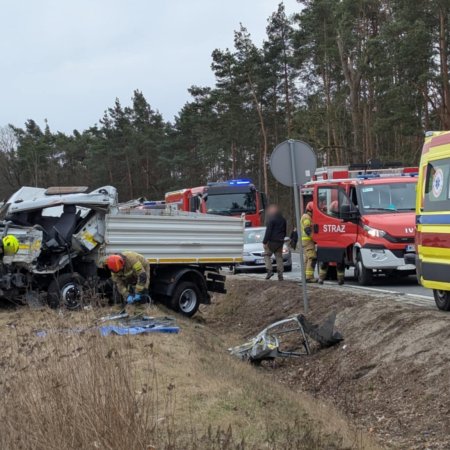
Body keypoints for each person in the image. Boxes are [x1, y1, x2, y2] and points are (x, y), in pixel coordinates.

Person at [318, 200, 345, 285]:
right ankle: (340, 280)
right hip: (338, 244)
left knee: (325, 262)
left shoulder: (326, 218)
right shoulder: (341, 220)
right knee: (340, 263)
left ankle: (321, 279)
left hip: (327, 244)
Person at [263, 204, 287, 281]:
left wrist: (265, 241)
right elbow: (284, 231)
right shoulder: (283, 219)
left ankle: (269, 270)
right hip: (280, 242)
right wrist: (282, 238)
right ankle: (280, 275)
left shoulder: (271, 220)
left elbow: (268, 231)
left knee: (266, 255)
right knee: (279, 257)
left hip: (272, 242)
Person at [301, 202, 317, 283]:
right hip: (308, 241)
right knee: (312, 257)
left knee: (307, 259)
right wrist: (314, 238)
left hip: (306, 241)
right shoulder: (307, 217)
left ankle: (305, 276)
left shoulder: (306, 216)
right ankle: (309, 277)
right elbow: (307, 229)